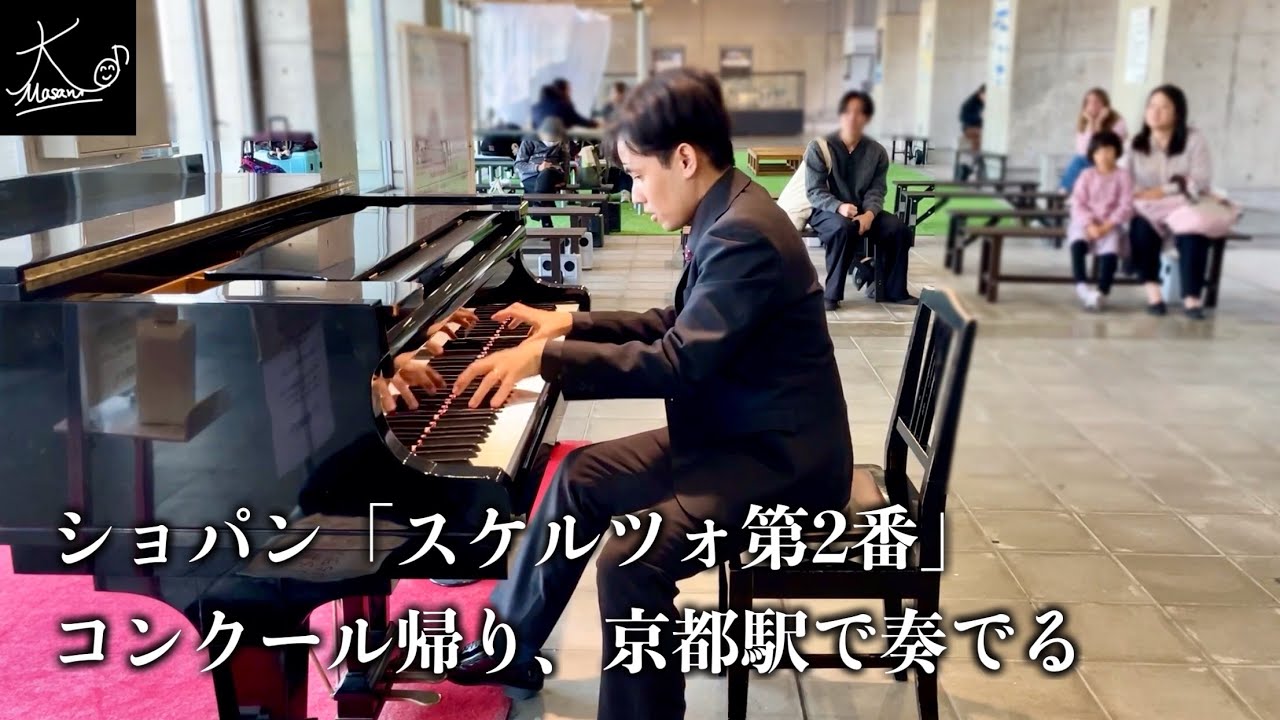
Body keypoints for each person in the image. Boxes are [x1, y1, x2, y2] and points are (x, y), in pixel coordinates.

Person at [444, 67, 855, 720]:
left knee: (631, 558)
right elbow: (678, 327)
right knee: (580, 474)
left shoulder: (743, 231)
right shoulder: (727, 211)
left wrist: (547, 359)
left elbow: (677, 362)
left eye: (638, 174)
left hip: (783, 465)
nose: (634, 195)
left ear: (684, 159)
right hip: (736, 433)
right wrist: (567, 323)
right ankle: (509, 645)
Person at [804, 90, 915, 309]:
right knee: (843, 228)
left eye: (860, 113)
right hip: (826, 211)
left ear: (867, 118)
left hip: (865, 211)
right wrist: (839, 206)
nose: (853, 118)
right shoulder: (819, 147)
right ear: (840, 115)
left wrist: (869, 215)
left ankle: (894, 290)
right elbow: (814, 191)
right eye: (848, 112)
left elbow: (877, 190)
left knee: (899, 229)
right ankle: (832, 294)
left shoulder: (877, 151)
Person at [1127, 84, 1214, 319]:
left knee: (1194, 234)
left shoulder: (1194, 140)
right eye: (1151, 106)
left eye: (1164, 107)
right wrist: (1143, 193)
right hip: (1149, 208)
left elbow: (1201, 179)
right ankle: (1153, 293)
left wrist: (1163, 190)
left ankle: (1191, 299)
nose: (1155, 112)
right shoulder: (1135, 144)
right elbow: (1124, 179)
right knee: (1141, 228)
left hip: (1185, 205)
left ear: (1178, 113)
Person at [1067, 130, 1132, 311]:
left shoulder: (1123, 176)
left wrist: (1107, 225)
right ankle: (1082, 287)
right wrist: (1089, 224)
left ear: (1117, 152)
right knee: (1078, 243)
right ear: (1092, 154)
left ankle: (1103, 292)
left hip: (1109, 223)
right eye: (1098, 152)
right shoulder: (1086, 175)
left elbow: (1125, 205)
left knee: (1111, 250)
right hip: (1085, 221)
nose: (1103, 156)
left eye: (1108, 150)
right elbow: (1078, 202)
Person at [1060, 88, 1128, 192]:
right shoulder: (1084, 122)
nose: (1092, 105)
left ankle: (1064, 190)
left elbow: (1106, 145)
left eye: (1096, 101)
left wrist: (1099, 122)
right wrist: (1091, 123)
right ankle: (1065, 192)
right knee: (1079, 160)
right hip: (1089, 160)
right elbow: (1084, 150)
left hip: (1109, 160)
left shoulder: (1117, 121)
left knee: (1079, 161)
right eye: (1088, 102)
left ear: (1105, 104)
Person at [514, 117, 572, 228]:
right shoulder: (530, 138)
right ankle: (545, 218)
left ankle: (538, 206)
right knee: (541, 183)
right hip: (531, 175)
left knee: (546, 174)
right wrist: (538, 168)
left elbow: (566, 161)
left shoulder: (563, 138)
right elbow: (519, 164)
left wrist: (565, 180)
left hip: (552, 173)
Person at [960, 84, 985, 151]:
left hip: (979, 127)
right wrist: (979, 118)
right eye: (985, 95)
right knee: (981, 135)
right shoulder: (970, 103)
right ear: (980, 93)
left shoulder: (983, 103)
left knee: (983, 134)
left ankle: (977, 157)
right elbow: (963, 118)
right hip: (969, 128)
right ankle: (977, 157)